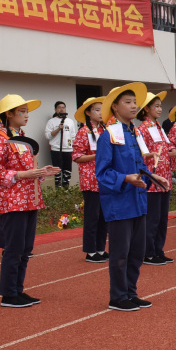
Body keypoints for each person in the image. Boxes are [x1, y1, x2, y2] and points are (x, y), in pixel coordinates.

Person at [0, 94, 58, 308]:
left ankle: (18, 289)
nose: (27, 115)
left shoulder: (21, 136)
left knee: (25, 249)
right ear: (9, 114)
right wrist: (22, 175)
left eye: (27, 111)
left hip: (30, 199)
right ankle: (9, 293)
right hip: (12, 200)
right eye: (22, 111)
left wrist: (42, 172)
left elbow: (28, 168)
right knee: (14, 249)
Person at [96, 83, 159, 312]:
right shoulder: (108, 135)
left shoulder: (135, 132)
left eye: (135, 102)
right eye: (128, 102)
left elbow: (140, 165)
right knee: (120, 253)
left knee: (137, 251)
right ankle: (118, 296)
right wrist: (126, 179)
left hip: (139, 200)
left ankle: (131, 292)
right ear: (115, 107)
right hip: (119, 202)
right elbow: (102, 173)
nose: (134, 106)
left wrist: (150, 177)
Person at [137, 91, 176, 265]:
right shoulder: (142, 129)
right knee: (152, 218)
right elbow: (141, 155)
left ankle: (158, 249)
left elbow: (164, 150)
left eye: (160, 106)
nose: (160, 109)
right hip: (152, 179)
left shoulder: (158, 127)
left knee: (162, 219)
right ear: (146, 109)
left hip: (164, 178)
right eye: (156, 106)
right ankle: (148, 252)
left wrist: (175, 153)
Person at [71, 96, 108, 263]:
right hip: (90, 180)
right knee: (92, 216)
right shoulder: (83, 131)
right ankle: (90, 251)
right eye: (97, 110)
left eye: (102, 110)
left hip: (104, 179)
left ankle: (100, 247)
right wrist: (96, 156)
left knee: (103, 217)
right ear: (88, 112)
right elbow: (77, 156)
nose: (101, 113)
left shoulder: (104, 130)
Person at [44, 101, 78, 189]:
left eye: (63, 107)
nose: (62, 109)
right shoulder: (51, 121)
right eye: (59, 107)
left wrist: (71, 146)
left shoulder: (70, 121)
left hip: (68, 150)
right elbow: (48, 136)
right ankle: (58, 192)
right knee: (57, 172)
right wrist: (58, 128)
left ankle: (66, 190)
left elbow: (73, 136)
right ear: (55, 109)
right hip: (56, 149)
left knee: (67, 171)